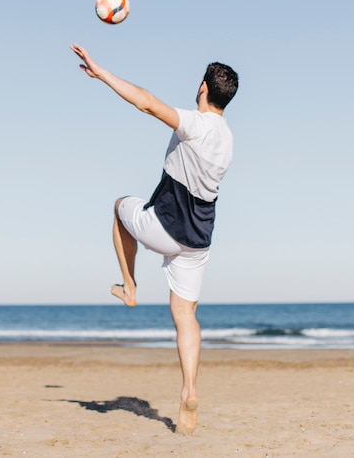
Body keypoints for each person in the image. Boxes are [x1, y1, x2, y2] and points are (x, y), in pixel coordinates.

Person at [69, 43, 238, 435]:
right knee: (186, 316)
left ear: (202, 88)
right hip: (199, 240)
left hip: (164, 227)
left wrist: (102, 73)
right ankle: (190, 391)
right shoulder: (228, 138)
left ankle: (129, 287)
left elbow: (146, 103)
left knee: (119, 206)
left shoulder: (197, 124)